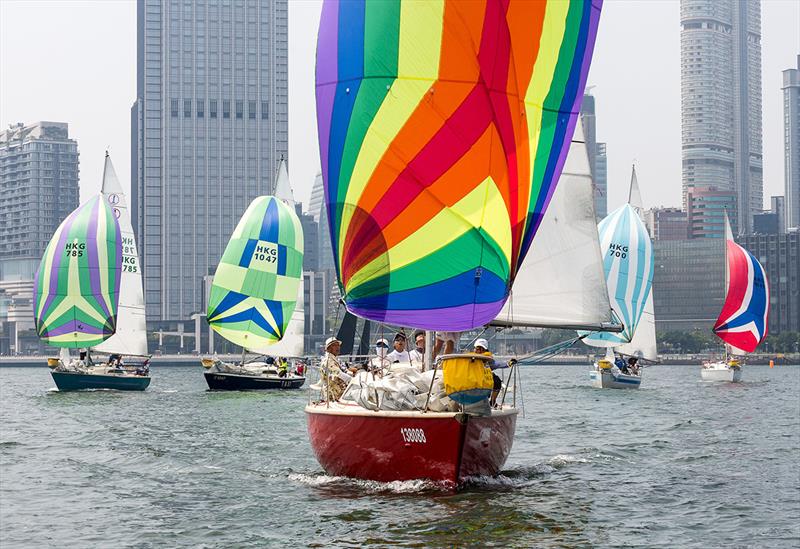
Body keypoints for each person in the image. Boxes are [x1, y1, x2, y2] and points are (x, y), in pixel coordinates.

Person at [472, 338, 508, 408]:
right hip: (474, 377)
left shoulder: (488, 358)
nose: (479, 350)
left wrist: (508, 364)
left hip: (486, 377)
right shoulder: (470, 357)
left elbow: (495, 364)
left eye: (482, 349)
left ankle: (492, 401)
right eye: (477, 348)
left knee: (497, 380)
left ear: (485, 350)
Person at [321, 336, 350, 401]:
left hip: (339, 394)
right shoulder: (328, 360)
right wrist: (353, 380)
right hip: (332, 396)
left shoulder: (333, 359)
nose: (338, 347)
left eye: (338, 345)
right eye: (334, 345)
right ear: (328, 348)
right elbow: (339, 374)